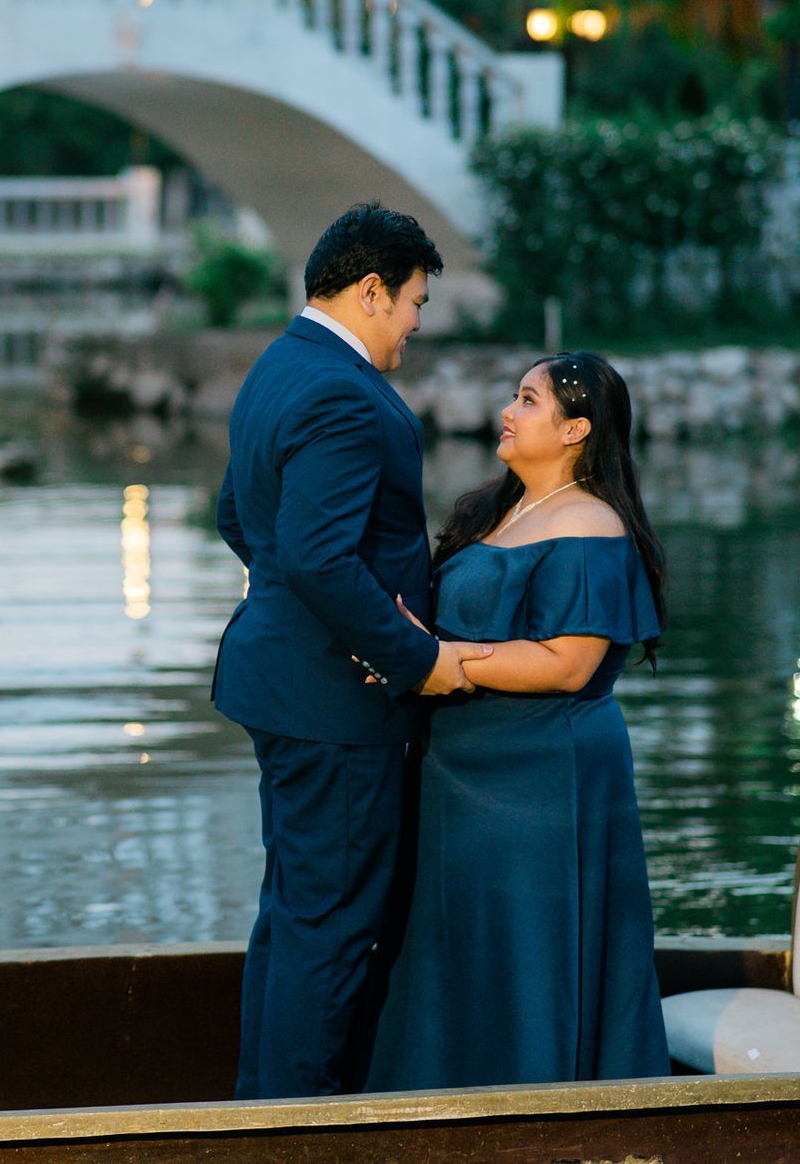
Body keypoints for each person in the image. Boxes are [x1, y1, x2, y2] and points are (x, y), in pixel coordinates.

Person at [212, 202, 491, 1099]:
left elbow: (238, 517)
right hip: (336, 702)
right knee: (332, 932)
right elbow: (316, 558)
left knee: (294, 918)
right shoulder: (341, 391)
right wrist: (414, 655)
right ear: (371, 291)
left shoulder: (277, 365)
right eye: (413, 302)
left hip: (285, 687)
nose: (416, 322)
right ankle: (298, 1131)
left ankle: (262, 1114)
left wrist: (304, 614)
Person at [363, 351, 670, 1092]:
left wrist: (442, 659)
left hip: (540, 780)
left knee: (530, 949)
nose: (508, 411)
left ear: (576, 430)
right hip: (459, 771)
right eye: (515, 395)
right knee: (453, 944)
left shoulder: (591, 524)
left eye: (529, 400)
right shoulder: (493, 511)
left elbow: (568, 663)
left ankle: (539, 1106)